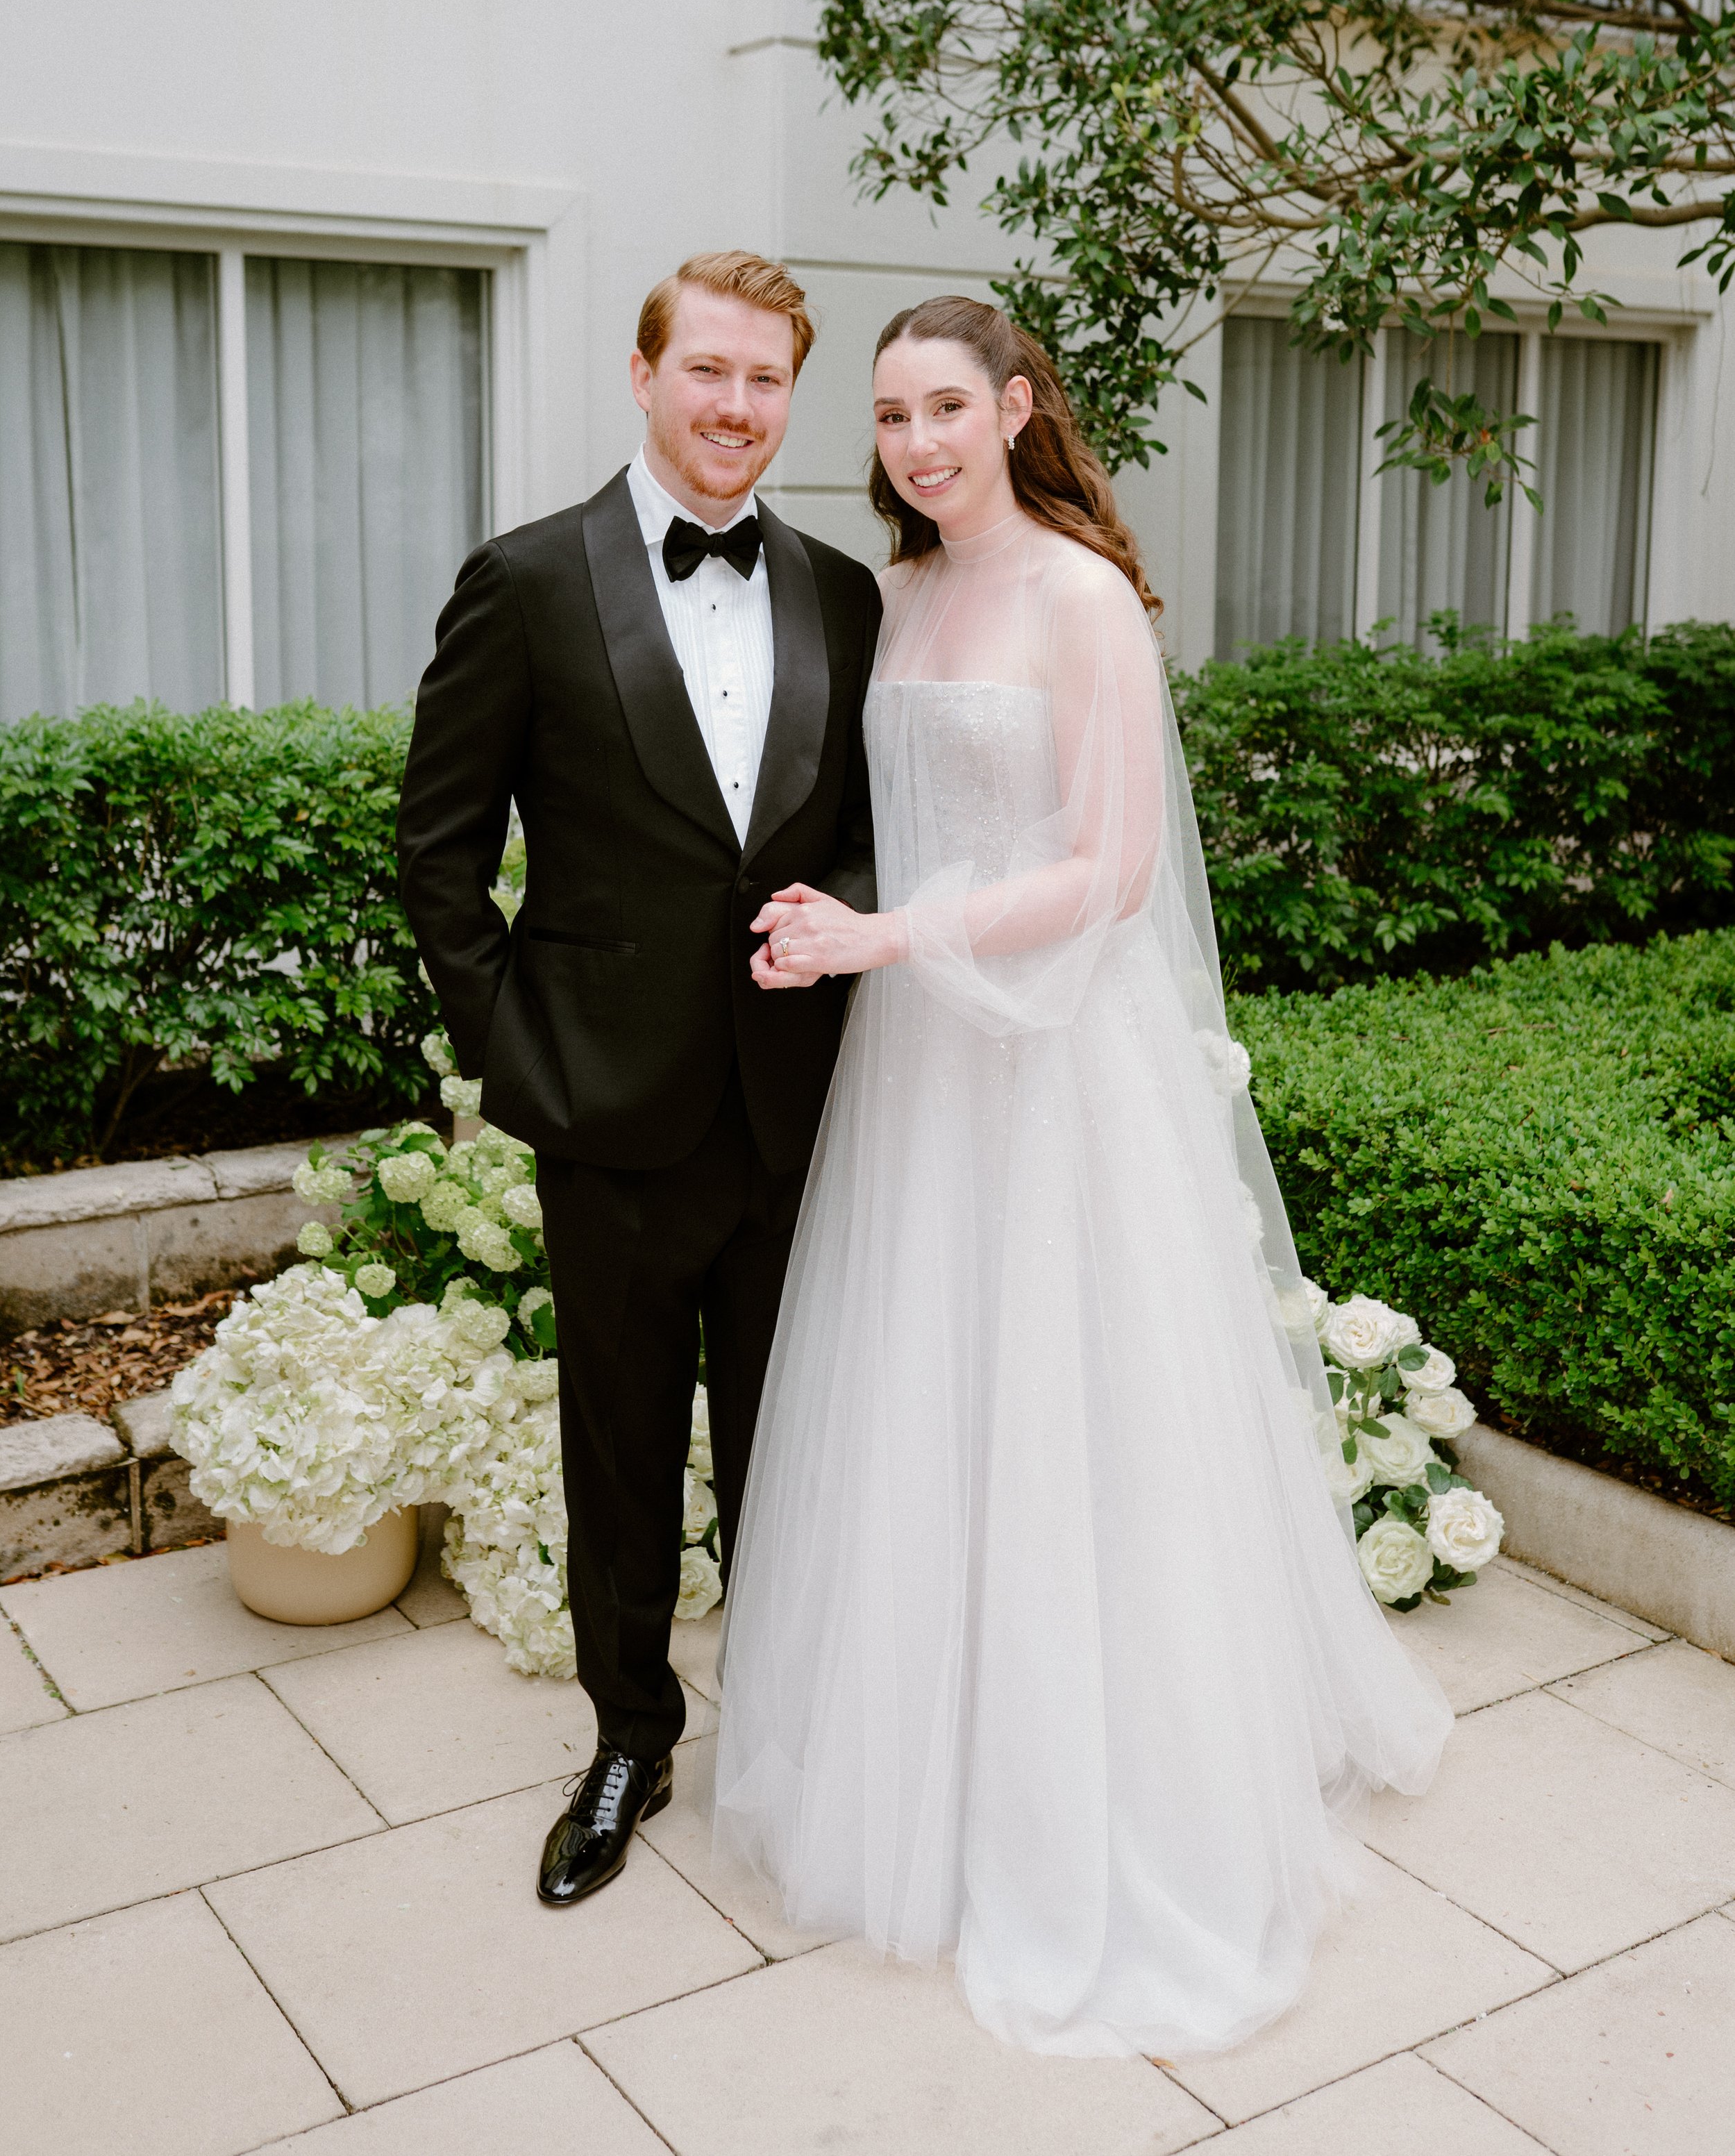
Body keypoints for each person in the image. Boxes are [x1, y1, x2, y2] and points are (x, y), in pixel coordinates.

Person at [712, 295, 1452, 2058]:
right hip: (920, 1066)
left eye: (948, 406)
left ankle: (1116, 1801)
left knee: (1079, 1416)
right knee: (930, 1401)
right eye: (889, 414)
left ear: (1019, 407)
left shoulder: (1078, 595)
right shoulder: (888, 597)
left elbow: (1114, 869)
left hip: (1051, 1064)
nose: (915, 442)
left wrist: (886, 934)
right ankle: (941, 1768)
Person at [397, 251, 882, 1907]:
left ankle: (794, 1736)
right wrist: (506, 1052)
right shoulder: (527, 582)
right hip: (602, 1112)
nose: (737, 409)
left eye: (766, 383)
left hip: (794, 1109)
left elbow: (864, 841)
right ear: (643, 372)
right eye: (709, 374)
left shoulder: (841, 591)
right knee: (617, 1453)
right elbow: (440, 851)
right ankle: (629, 1739)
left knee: (788, 1446)